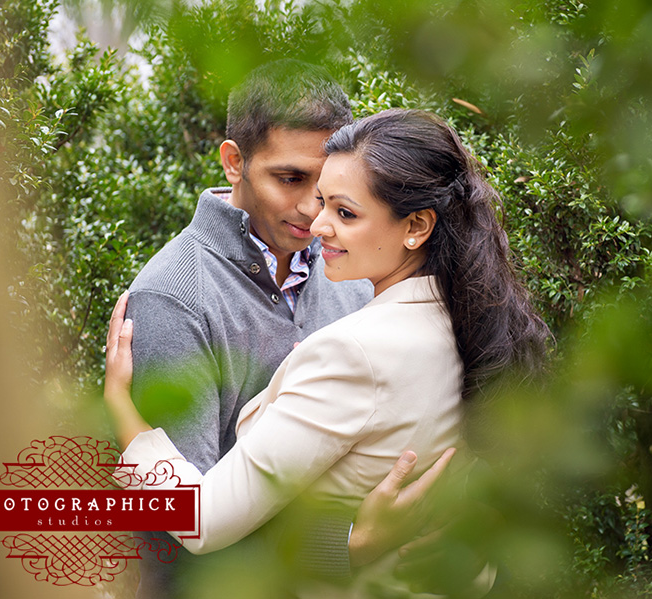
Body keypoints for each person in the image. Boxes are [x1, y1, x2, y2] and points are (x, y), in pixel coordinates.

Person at [105, 108, 551, 597]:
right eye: (318, 199)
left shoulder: (355, 345)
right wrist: (351, 541)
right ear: (234, 163)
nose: (315, 225)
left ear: (417, 226)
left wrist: (124, 414)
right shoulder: (468, 319)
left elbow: (202, 519)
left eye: (344, 211)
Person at [121, 61, 452, 597]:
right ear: (235, 162)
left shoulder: (350, 266)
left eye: (326, 190)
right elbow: (182, 524)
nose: (311, 210)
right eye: (290, 179)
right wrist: (350, 541)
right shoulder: (175, 298)